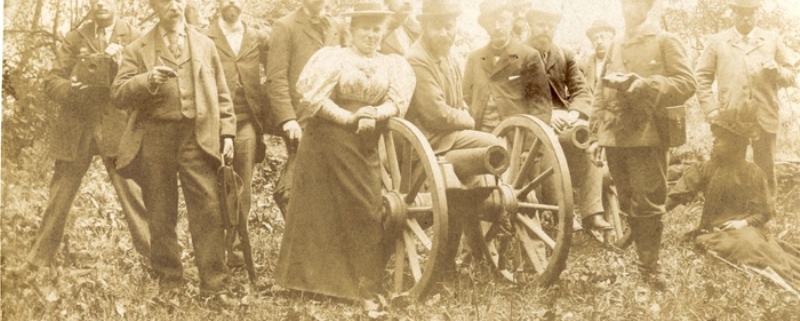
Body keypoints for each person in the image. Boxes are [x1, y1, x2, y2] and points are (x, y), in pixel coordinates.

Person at [274, 1, 416, 302]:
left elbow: (397, 102)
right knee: (320, 209)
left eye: (377, 29)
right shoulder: (333, 58)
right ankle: (310, 283)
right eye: (365, 29)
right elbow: (313, 98)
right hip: (327, 138)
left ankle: (360, 284)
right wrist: (348, 117)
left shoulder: (391, 64)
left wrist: (375, 113)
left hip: (364, 141)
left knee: (366, 206)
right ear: (351, 31)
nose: (371, 36)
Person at [111, 0, 235, 295]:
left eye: (178, 0)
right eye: (165, 1)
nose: (173, 6)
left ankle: (215, 286)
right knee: (160, 212)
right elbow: (118, 93)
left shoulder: (205, 44)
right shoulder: (138, 48)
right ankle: (170, 283)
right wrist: (147, 80)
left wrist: (227, 133)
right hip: (155, 138)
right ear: (155, 7)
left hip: (197, 138)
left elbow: (222, 93)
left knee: (208, 210)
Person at [28, 0, 150, 270]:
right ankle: (37, 261)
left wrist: (122, 68)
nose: (99, 4)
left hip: (117, 126)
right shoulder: (75, 37)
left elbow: (147, 83)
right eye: (94, 0)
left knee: (133, 194)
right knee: (60, 193)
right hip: (78, 124)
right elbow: (52, 80)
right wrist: (73, 89)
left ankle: (159, 261)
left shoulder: (135, 37)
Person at [588, 0, 696, 290]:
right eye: (625, 3)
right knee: (627, 199)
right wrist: (596, 132)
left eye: (636, 3)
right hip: (616, 135)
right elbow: (600, 89)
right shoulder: (615, 44)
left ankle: (649, 269)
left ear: (648, 7)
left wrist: (646, 84)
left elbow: (687, 83)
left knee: (648, 201)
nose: (629, 8)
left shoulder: (665, 40)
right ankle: (641, 246)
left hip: (649, 135)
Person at [405, 0, 505, 281]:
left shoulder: (447, 56)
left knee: (494, 147)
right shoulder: (417, 59)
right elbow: (435, 114)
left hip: (451, 137)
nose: (446, 32)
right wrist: (468, 119)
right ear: (424, 26)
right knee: (491, 143)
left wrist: (462, 114)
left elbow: (459, 100)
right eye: (439, 26)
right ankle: (469, 242)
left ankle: (475, 239)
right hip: (431, 142)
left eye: (450, 26)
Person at [666, 119, 800, 293]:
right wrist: (652, 213)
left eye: (720, 140)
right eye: (714, 139)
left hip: (744, 229)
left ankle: (780, 275)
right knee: (741, 247)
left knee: (758, 248)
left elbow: (764, 212)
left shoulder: (752, 173)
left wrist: (743, 223)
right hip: (714, 231)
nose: (714, 143)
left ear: (735, 145)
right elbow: (676, 196)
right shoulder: (706, 169)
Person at [695, 0, 797, 199]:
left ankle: (766, 214)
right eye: (741, 12)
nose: (746, 17)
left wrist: (777, 71)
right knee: (728, 169)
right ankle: (729, 214)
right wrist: (711, 109)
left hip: (764, 115)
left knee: (765, 170)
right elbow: (701, 77)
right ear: (732, 13)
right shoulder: (717, 41)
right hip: (730, 118)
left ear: (758, 13)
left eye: (751, 12)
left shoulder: (771, 39)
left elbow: (791, 75)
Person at [524, 1, 612, 231]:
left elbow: (582, 90)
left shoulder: (564, 55)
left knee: (587, 137)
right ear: (530, 24)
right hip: (533, 123)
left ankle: (592, 212)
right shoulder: (517, 55)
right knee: (547, 143)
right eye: (540, 24)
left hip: (566, 119)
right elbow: (511, 97)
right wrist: (547, 116)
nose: (545, 29)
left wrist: (574, 112)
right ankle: (561, 213)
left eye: (550, 25)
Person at [205, 0, 271, 267]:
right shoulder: (203, 37)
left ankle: (237, 253)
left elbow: (278, 72)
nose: (232, 3)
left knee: (241, 189)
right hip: (211, 124)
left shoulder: (258, 37)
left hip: (245, 123)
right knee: (211, 189)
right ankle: (211, 254)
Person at [266, 0, 345, 217]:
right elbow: (276, 78)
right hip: (301, 119)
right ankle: (299, 238)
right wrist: (288, 119)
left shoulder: (336, 26)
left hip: (335, 115)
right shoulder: (285, 26)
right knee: (297, 183)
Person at [463, 0, 551, 133]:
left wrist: (528, 148)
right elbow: (466, 98)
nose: (497, 26)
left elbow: (540, 106)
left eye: (502, 20)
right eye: (491, 22)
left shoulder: (529, 56)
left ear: (511, 21)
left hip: (514, 136)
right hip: (479, 135)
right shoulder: (474, 58)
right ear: (485, 27)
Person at [581, 19, 616, 91]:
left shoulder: (619, 59)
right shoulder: (584, 64)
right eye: (595, 39)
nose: (599, 42)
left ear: (611, 39)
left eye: (602, 37)